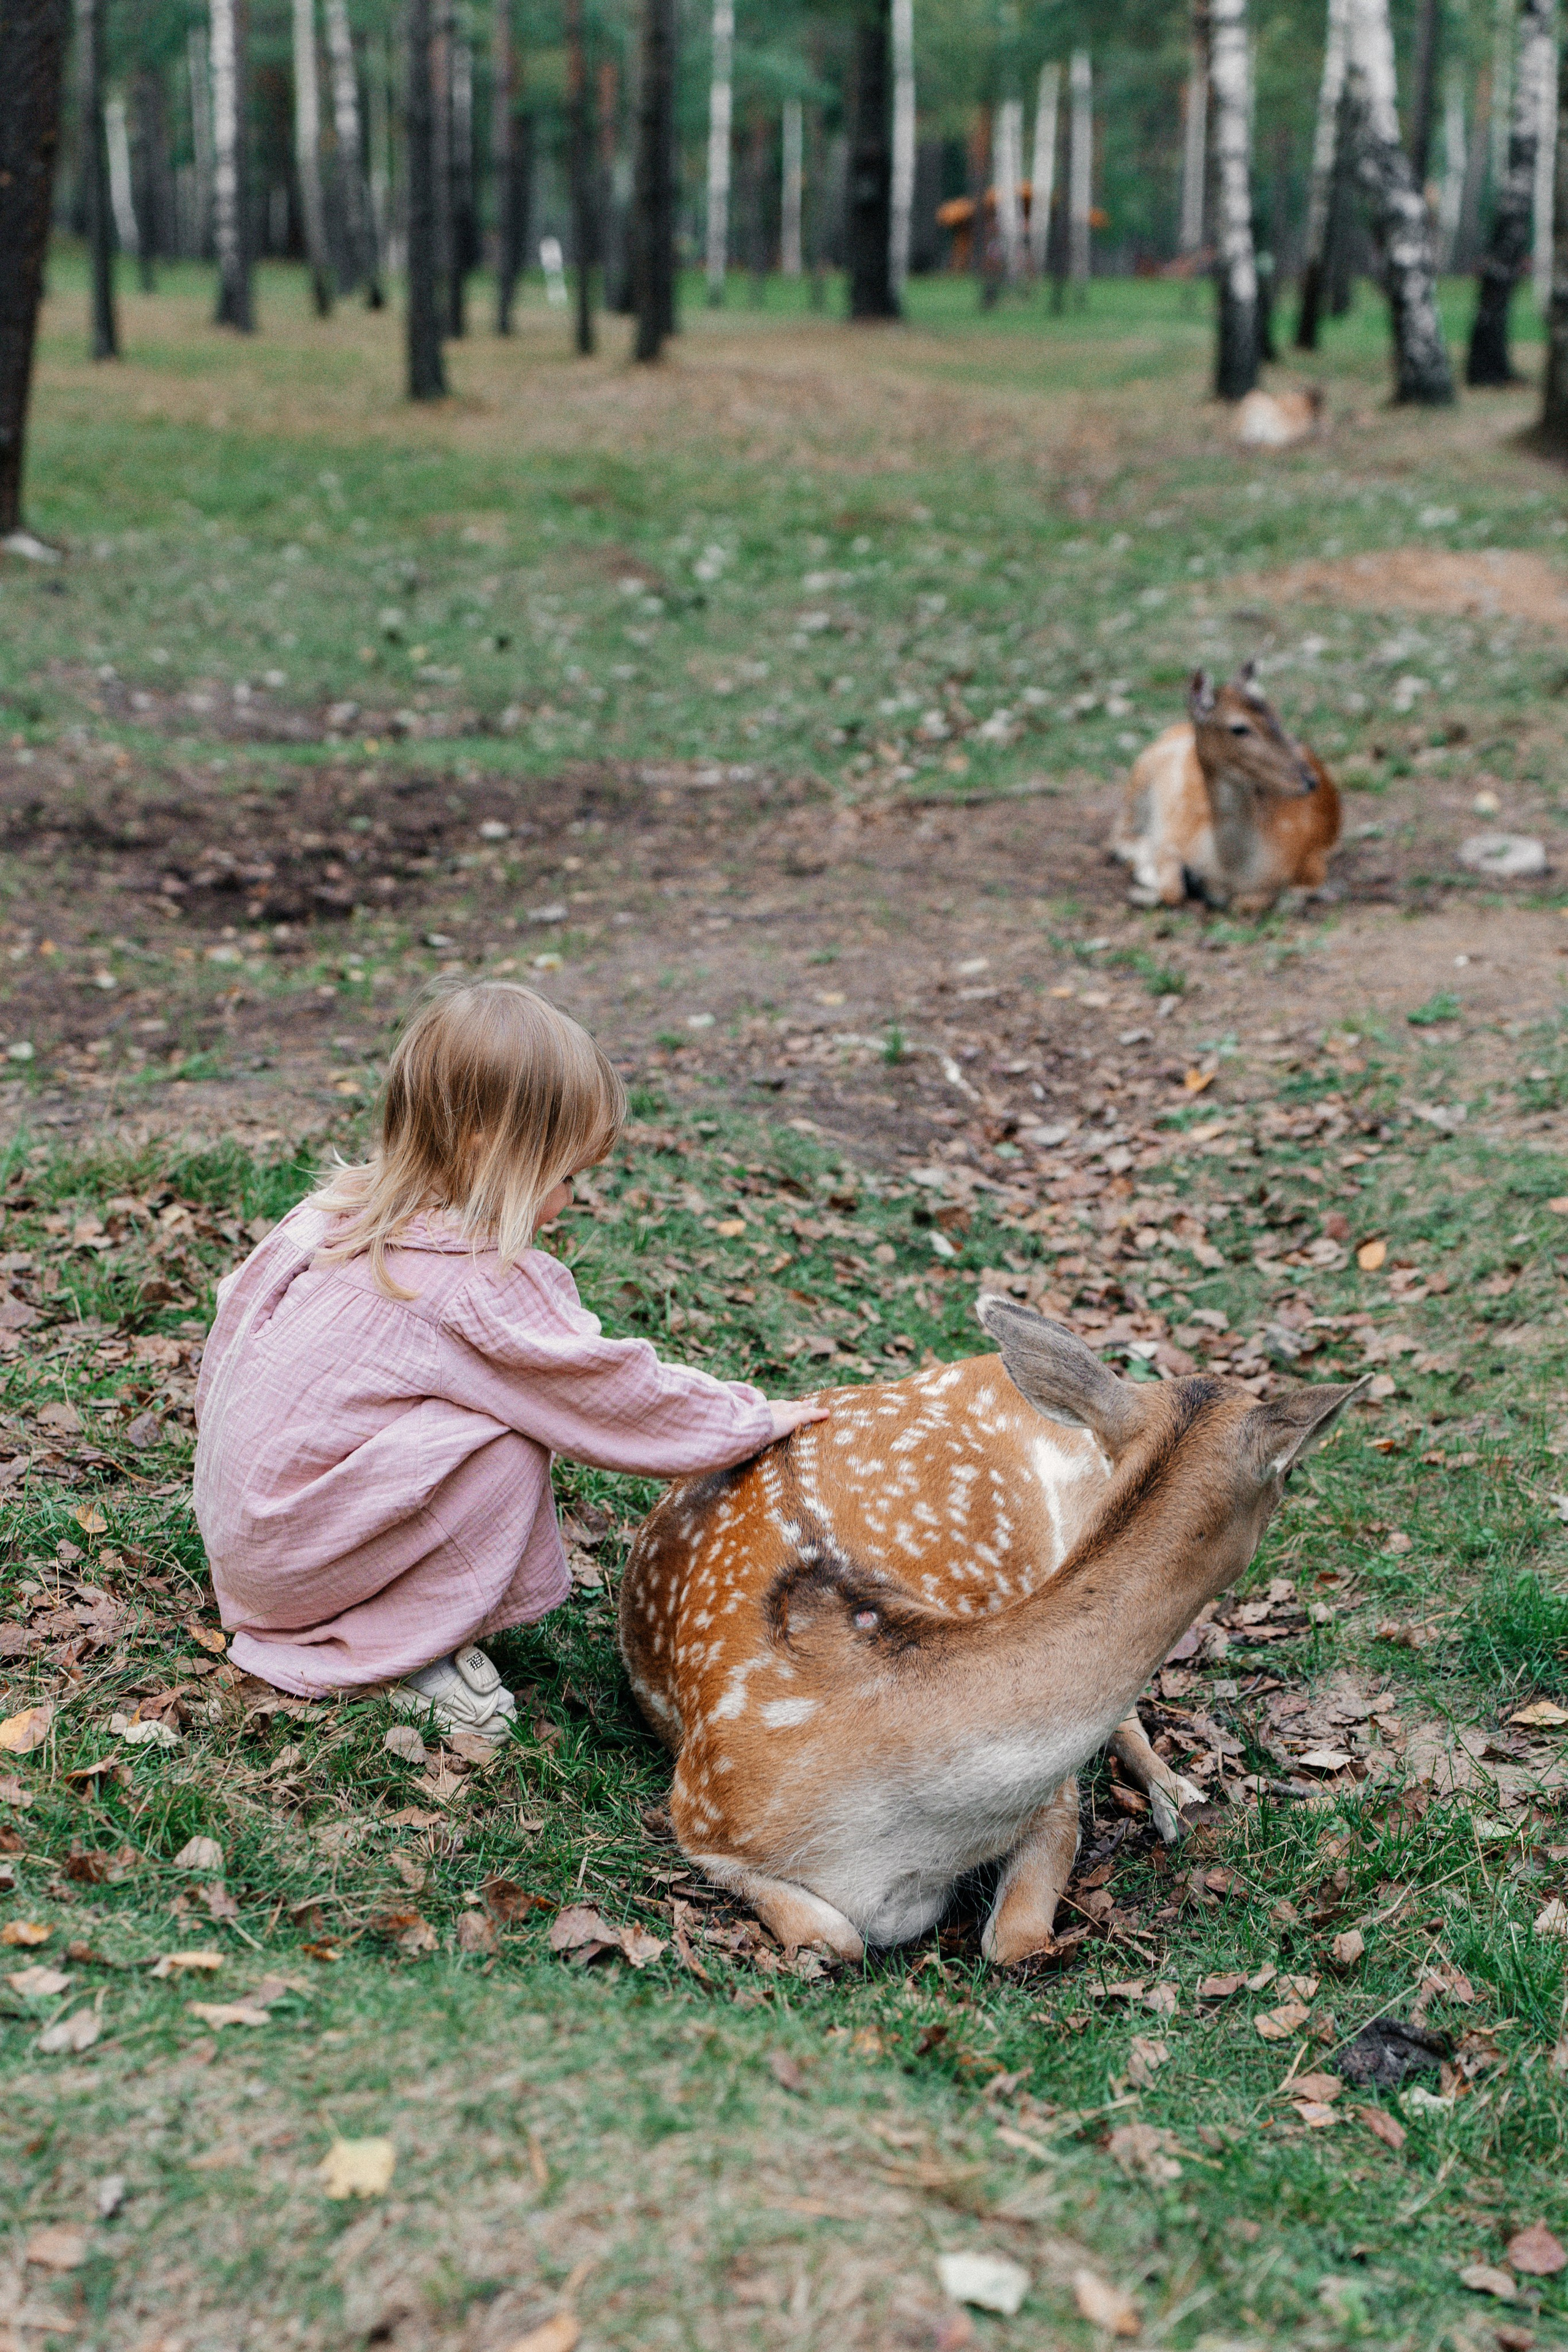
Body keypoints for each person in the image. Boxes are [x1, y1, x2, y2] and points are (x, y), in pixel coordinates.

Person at [193, 978, 826, 1738]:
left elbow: (234, 1321)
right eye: (563, 1176)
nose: (569, 1199)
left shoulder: (328, 1215)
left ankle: (346, 1595)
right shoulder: (475, 1283)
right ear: (490, 1152)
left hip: (248, 1536)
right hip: (300, 1570)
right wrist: (749, 1420)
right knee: (504, 1441)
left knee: (469, 1409)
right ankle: (391, 1648)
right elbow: (606, 1392)